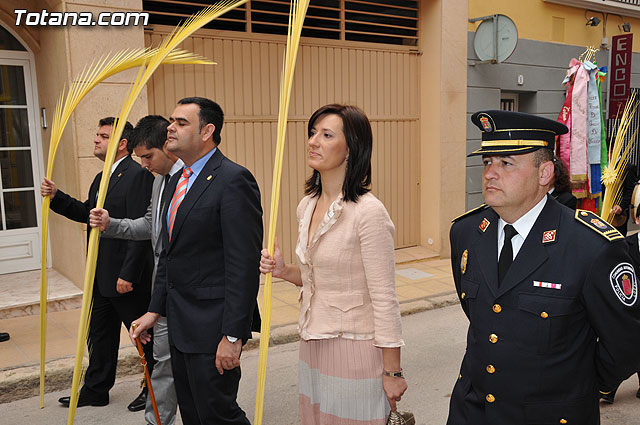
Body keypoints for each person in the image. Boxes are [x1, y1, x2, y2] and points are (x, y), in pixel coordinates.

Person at [447, 110, 640, 425]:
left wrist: (579, 383)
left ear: (545, 173)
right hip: (472, 412)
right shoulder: (467, 233)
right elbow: (484, 313)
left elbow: (627, 342)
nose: (490, 174)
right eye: (486, 163)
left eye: (506, 163)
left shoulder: (590, 246)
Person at [259, 104, 408, 424]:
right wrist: (284, 271)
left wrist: (392, 371)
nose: (313, 141)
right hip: (313, 343)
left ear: (351, 149)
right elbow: (318, 279)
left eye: (326, 135)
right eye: (313, 133)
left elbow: (384, 297)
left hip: (354, 346)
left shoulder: (368, 212)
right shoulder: (306, 205)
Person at [130, 97, 263, 425]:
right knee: (192, 414)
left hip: (212, 329)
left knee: (218, 415)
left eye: (181, 122)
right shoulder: (176, 180)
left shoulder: (233, 180)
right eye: (171, 121)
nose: (170, 128)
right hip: (179, 326)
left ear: (208, 131)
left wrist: (233, 336)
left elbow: (242, 266)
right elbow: (170, 254)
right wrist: (154, 309)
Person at [40, 117, 154, 410]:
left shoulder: (137, 175)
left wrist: (128, 273)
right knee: (99, 335)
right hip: (100, 274)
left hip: (126, 278)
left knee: (142, 335)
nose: (96, 140)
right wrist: (57, 197)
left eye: (103, 136)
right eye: (98, 134)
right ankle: (96, 389)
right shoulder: (102, 176)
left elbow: (141, 228)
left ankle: (153, 387)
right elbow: (88, 214)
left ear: (122, 144)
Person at [89, 115, 181, 425]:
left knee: (201, 378)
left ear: (167, 146)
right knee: (164, 368)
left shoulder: (207, 181)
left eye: (147, 156)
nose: (143, 164)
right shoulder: (159, 182)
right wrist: (111, 224)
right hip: (164, 295)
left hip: (195, 298)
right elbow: (148, 225)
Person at [599, 181, 640, 404]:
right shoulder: (625, 245)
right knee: (621, 342)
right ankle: (609, 386)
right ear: (637, 219)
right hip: (629, 304)